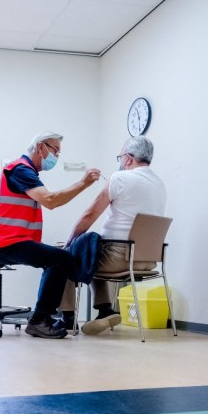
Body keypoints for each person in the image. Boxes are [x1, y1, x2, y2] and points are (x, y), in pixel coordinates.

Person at [0, 131, 101, 339]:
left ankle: (45, 317)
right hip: (5, 242)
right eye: (54, 150)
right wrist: (83, 184)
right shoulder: (20, 170)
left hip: (11, 240)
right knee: (61, 258)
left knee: (57, 257)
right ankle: (40, 320)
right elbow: (50, 200)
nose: (56, 156)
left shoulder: (25, 172)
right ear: (41, 147)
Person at [59, 135, 167, 335]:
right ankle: (104, 310)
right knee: (92, 247)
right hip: (148, 259)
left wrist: (69, 241)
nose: (120, 162)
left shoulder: (120, 178)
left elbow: (89, 215)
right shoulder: (160, 184)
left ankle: (67, 318)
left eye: (120, 157)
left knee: (67, 254)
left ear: (128, 158)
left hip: (118, 257)